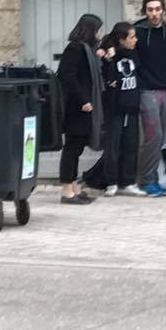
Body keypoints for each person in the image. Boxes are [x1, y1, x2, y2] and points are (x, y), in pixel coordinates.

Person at [134, 0, 166, 197]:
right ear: (145, 11)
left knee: (162, 137)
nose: (154, 13)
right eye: (150, 9)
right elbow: (116, 39)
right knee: (153, 136)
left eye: (157, 9)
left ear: (163, 10)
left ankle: (152, 177)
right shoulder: (137, 31)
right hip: (146, 90)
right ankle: (147, 180)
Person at [57, 14, 104, 204]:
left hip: (84, 105)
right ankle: (67, 190)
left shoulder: (87, 49)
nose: (99, 34)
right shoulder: (75, 48)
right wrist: (83, 100)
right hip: (76, 107)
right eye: (97, 30)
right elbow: (67, 76)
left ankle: (74, 186)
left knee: (77, 147)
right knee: (72, 147)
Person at [99, 22, 145, 198]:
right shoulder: (110, 55)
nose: (135, 40)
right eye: (131, 37)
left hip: (131, 106)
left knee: (131, 145)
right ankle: (111, 182)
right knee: (113, 146)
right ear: (121, 39)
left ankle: (128, 181)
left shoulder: (134, 53)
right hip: (115, 108)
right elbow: (108, 77)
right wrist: (109, 58)